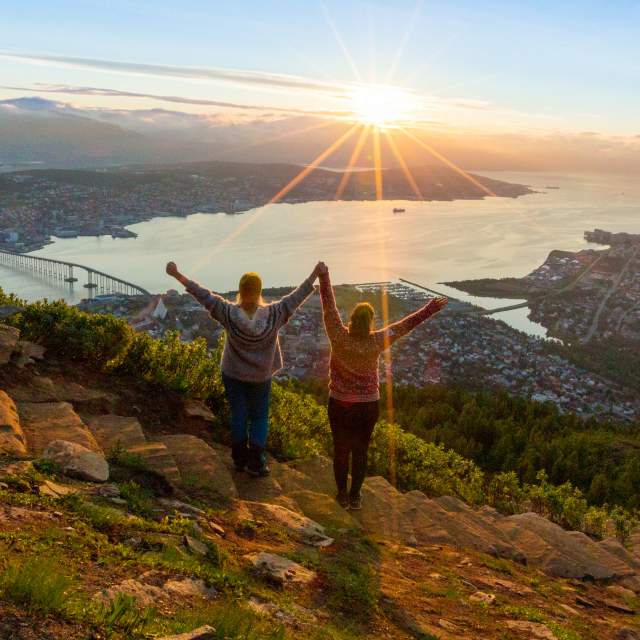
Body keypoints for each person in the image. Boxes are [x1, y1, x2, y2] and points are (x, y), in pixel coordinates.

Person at [166, 261, 323, 477]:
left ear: (240, 291)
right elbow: (296, 297)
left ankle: (239, 458)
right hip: (260, 376)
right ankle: (256, 461)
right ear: (259, 291)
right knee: (259, 416)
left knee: (238, 413)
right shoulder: (274, 314)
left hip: (233, 373)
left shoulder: (229, 314)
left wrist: (177, 275)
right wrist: (315, 273)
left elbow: (203, 296)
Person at [318, 263, 448, 510]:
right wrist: (430, 309)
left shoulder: (338, 334)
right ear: (370, 323)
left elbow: (329, 307)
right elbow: (405, 326)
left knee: (341, 449)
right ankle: (355, 497)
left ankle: (342, 496)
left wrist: (325, 276)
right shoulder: (377, 340)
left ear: (352, 319)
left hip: (340, 403)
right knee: (360, 451)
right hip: (367, 406)